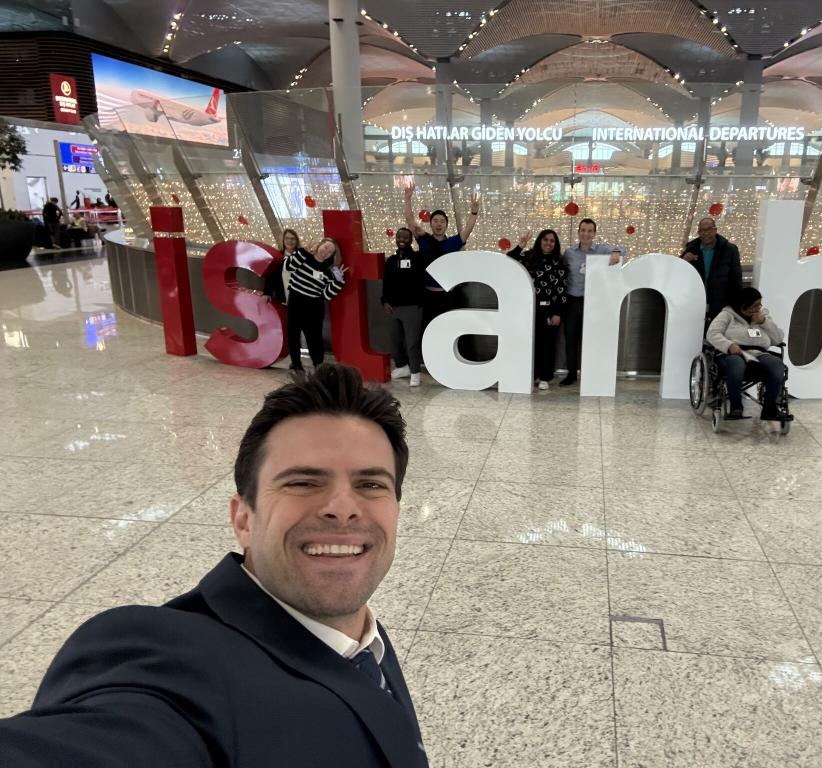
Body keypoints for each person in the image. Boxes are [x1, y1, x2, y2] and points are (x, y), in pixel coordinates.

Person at [0, 364, 428, 768]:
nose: (342, 508)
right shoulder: (165, 659)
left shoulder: (358, 638)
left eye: (371, 484)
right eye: (302, 482)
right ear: (243, 518)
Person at [706, 286, 792, 422]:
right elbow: (712, 333)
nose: (758, 308)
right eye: (754, 305)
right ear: (743, 305)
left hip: (759, 353)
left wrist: (764, 322)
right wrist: (729, 345)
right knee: (736, 364)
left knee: (777, 366)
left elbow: (777, 339)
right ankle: (736, 407)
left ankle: (770, 409)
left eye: (759, 304)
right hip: (733, 353)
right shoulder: (727, 315)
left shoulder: (763, 315)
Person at [402, 183, 480, 331]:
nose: (439, 224)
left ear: (446, 225)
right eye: (435, 221)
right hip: (427, 296)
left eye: (442, 221)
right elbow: (410, 220)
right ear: (430, 224)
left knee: (448, 331)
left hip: (447, 296)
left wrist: (474, 212)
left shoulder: (453, 242)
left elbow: (468, 229)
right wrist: (407, 199)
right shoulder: (423, 240)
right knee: (428, 331)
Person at [560, 218, 624, 387]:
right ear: (578, 232)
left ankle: (592, 373)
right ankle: (571, 373)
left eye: (589, 231)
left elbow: (622, 250)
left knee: (592, 339)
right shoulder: (569, 252)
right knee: (571, 339)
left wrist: (616, 252)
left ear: (594, 233)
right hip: (572, 302)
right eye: (583, 230)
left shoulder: (602, 250)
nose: (586, 234)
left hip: (593, 302)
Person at [507, 229, 569, 390]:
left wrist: (557, 313)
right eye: (545, 240)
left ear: (555, 244)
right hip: (528, 309)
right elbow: (509, 260)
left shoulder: (559, 262)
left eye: (552, 241)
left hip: (549, 310)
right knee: (530, 343)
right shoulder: (529, 257)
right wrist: (520, 246)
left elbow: (561, 289)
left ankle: (545, 377)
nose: (548, 243)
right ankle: (531, 375)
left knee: (547, 345)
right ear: (540, 241)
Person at [285, 237, 347, 372]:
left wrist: (338, 282)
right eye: (325, 248)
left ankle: (318, 365)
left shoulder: (330, 270)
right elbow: (288, 266)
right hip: (295, 300)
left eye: (330, 252)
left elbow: (326, 295)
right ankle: (296, 363)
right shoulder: (304, 256)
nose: (326, 252)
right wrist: (302, 252)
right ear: (320, 245)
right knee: (293, 334)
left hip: (314, 306)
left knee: (314, 338)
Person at [381, 227, 425, 388]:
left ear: (411, 240)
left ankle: (415, 372)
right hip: (393, 307)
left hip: (412, 307)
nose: (402, 239)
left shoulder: (418, 258)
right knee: (395, 340)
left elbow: (420, 282)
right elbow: (386, 283)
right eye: (399, 237)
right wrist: (384, 301)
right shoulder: (391, 261)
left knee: (411, 341)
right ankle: (402, 367)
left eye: (405, 237)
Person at [680, 217, 742, 320]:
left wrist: (736, 304)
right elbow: (678, 272)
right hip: (695, 302)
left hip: (721, 303)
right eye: (702, 231)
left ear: (715, 230)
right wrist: (684, 260)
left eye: (709, 229)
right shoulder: (691, 248)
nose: (706, 233)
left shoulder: (730, 250)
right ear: (699, 232)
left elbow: (736, 279)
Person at [263, 228, 301, 306]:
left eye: (293, 239)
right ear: (283, 241)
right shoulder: (277, 257)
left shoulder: (302, 256)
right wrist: (267, 293)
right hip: (283, 299)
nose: (290, 241)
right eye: (287, 238)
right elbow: (270, 277)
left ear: (297, 241)